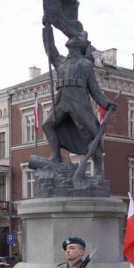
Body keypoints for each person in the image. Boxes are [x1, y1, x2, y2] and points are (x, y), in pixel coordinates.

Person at [39, 16, 115, 177]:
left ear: (80, 45)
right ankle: (55, 155)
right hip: (62, 101)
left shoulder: (86, 64)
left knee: (92, 135)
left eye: (76, 38)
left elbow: (94, 90)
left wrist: (106, 104)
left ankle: (99, 170)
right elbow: (49, 48)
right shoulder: (61, 62)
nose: (71, 39)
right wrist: (47, 28)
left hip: (79, 103)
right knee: (47, 125)